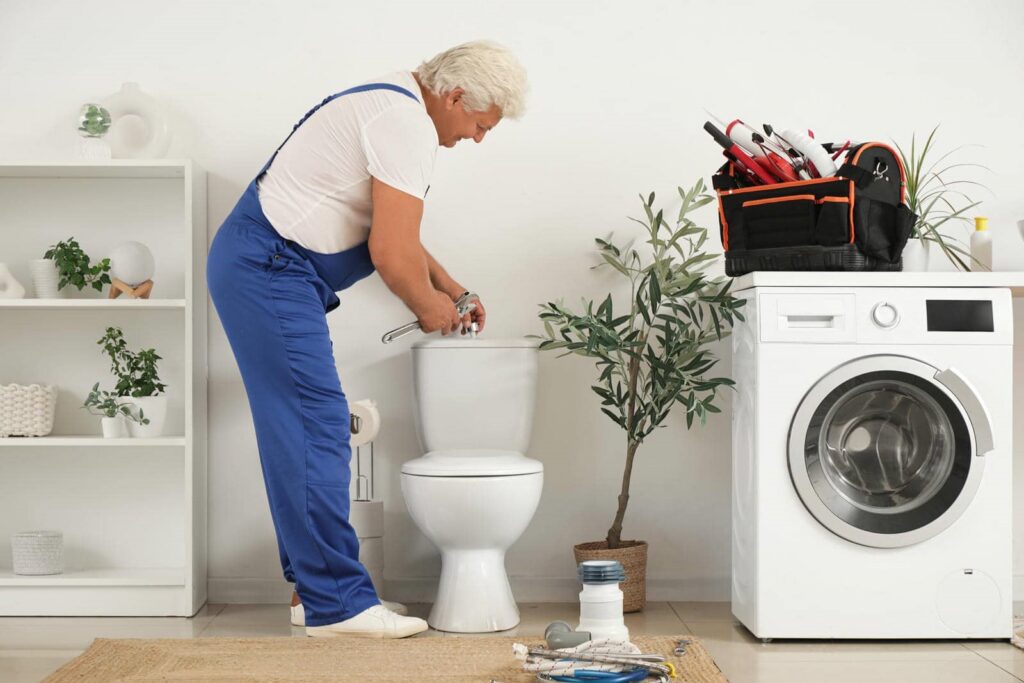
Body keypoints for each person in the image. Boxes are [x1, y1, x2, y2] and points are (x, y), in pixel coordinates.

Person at [207, 41, 527, 638]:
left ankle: (314, 595)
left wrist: (453, 290)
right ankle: (339, 608)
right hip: (268, 265)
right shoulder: (404, 121)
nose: (478, 139)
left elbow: (393, 228)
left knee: (302, 427)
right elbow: (390, 252)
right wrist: (430, 309)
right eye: (480, 125)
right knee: (316, 424)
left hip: (266, 264)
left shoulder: (394, 102)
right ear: (454, 96)